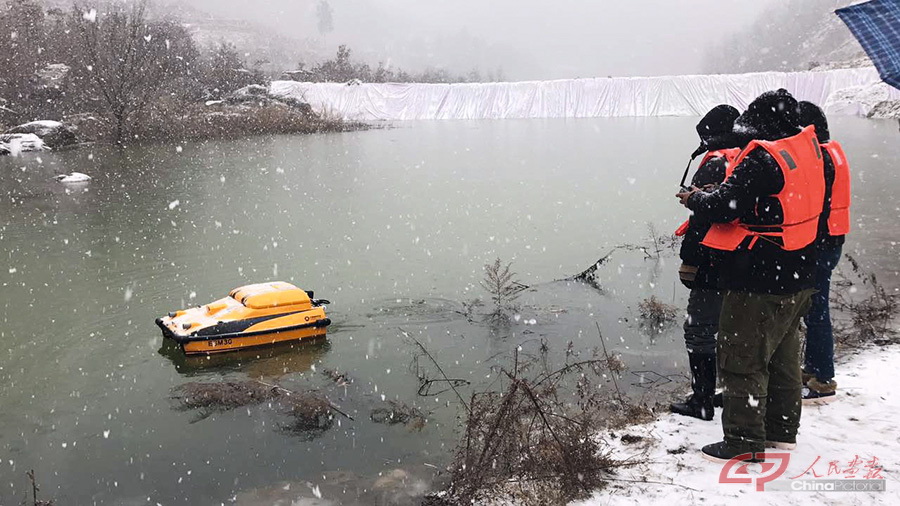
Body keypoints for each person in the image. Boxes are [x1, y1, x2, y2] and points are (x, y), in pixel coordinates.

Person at [676, 89, 825, 462]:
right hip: (802, 268)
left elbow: (725, 207)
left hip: (761, 274)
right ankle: (781, 432)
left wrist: (695, 199)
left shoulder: (763, 156)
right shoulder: (807, 151)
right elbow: (779, 202)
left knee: (742, 358)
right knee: (783, 357)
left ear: (761, 126)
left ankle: (743, 442)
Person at [670, 105, 742, 421]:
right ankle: (729, 391)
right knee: (731, 329)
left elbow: (705, 216)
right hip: (743, 257)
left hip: (713, 259)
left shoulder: (715, 163)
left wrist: (691, 262)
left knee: (698, 329)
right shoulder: (746, 156)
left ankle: (702, 400)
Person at [798, 101, 850, 404]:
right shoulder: (833, 151)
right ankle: (813, 368)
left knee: (816, 310)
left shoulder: (820, 159)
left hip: (821, 241)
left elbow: (811, 201)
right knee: (815, 307)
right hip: (833, 237)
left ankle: (823, 379)